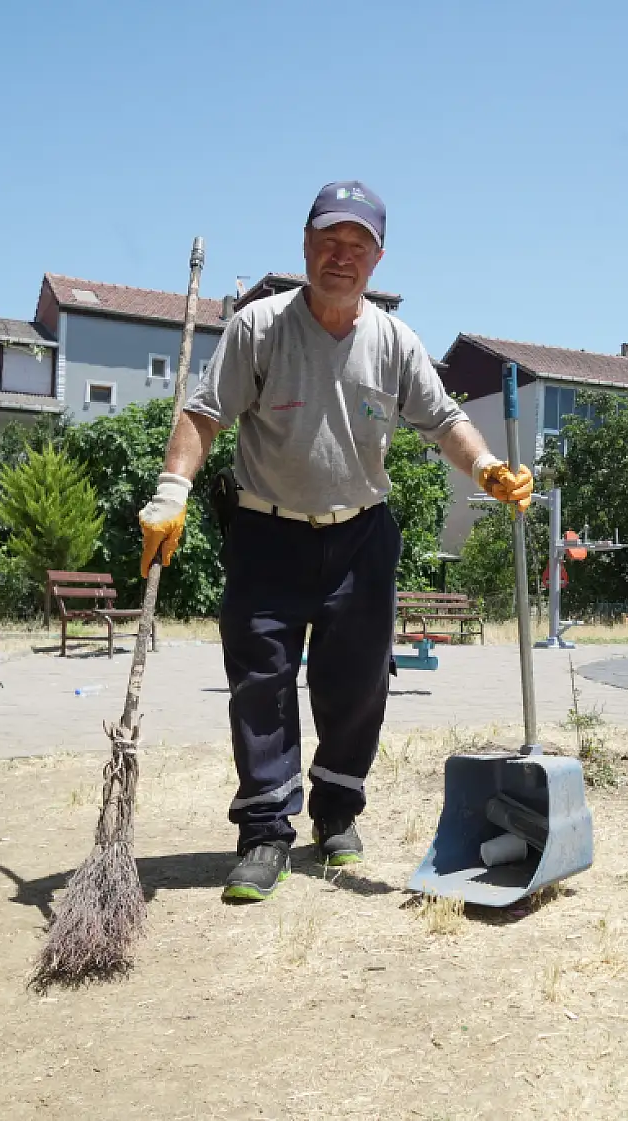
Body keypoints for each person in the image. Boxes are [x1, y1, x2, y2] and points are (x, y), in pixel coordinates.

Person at [138, 181, 533, 901]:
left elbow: (444, 420)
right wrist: (172, 491)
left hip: (360, 536)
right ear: (305, 246)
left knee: (357, 685)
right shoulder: (259, 329)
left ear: (377, 260)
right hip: (266, 531)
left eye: (357, 246)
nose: (341, 257)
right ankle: (264, 833)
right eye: (329, 241)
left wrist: (488, 465)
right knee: (260, 684)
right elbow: (203, 416)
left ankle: (337, 812)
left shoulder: (394, 342)